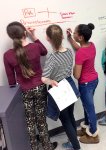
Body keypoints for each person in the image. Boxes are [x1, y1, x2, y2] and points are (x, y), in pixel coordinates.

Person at [3, 21, 55, 150]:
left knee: (29, 122)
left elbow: (11, 80)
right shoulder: (35, 47)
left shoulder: (8, 55)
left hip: (24, 91)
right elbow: (44, 51)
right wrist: (34, 36)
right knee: (41, 119)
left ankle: (33, 147)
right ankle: (47, 146)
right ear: (24, 33)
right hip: (40, 87)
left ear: (11, 37)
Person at [41, 24, 81, 150]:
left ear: (48, 39)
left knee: (65, 119)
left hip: (58, 87)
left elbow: (44, 78)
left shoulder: (52, 57)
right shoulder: (69, 51)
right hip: (69, 85)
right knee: (71, 115)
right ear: (63, 36)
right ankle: (73, 142)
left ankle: (76, 146)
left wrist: (50, 81)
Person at [66, 23, 99, 144]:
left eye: (74, 33)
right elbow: (79, 48)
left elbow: (77, 75)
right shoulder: (91, 45)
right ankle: (86, 128)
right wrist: (70, 38)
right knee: (87, 106)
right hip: (94, 80)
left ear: (80, 37)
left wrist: (74, 66)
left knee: (89, 109)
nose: (73, 33)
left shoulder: (80, 54)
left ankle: (94, 135)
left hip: (85, 84)